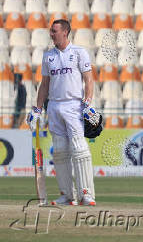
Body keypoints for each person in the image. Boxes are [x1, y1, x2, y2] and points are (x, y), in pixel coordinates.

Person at [27, 19, 100, 206]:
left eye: (54, 31)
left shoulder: (78, 52)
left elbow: (89, 80)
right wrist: (37, 109)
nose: (51, 34)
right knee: (59, 152)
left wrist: (87, 102)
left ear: (65, 32)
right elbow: (45, 85)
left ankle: (86, 194)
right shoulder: (48, 56)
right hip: (54, 106)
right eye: (51, 31)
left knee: (79, 149)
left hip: (74, 105)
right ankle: (67, 195)